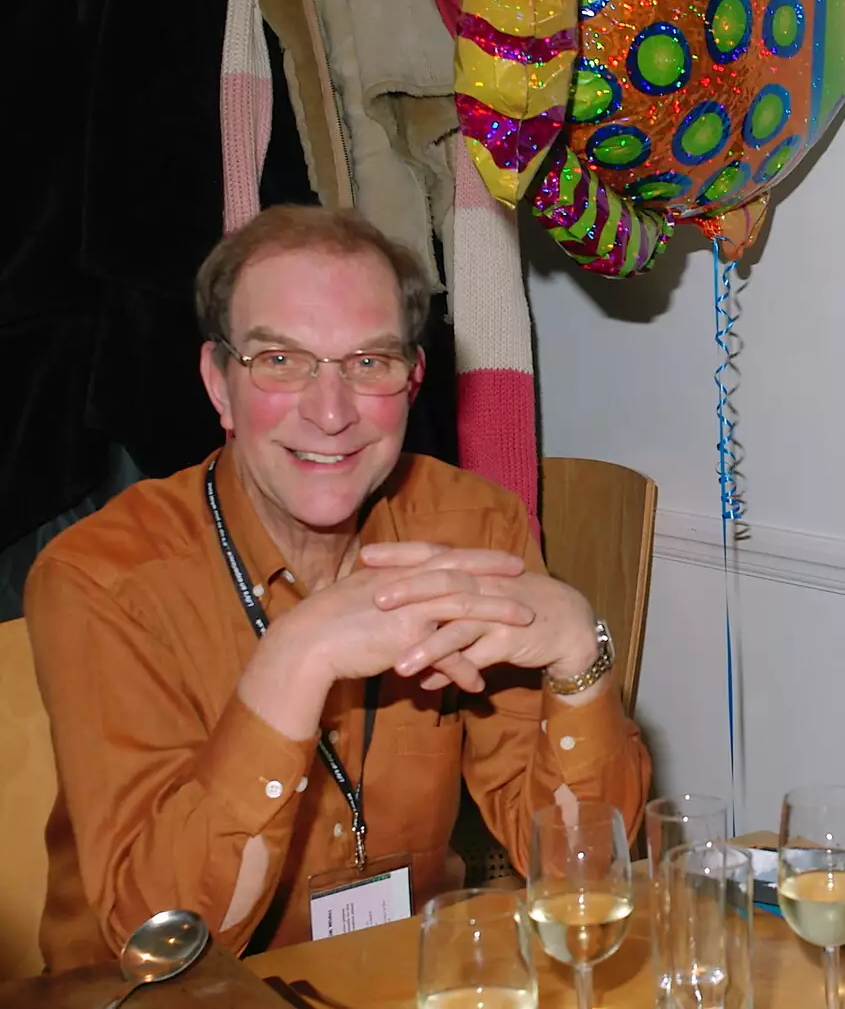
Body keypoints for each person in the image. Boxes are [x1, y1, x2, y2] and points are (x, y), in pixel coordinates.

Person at [25, 205, 651, 968]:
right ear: (219, 385)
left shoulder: (472, 528)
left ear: (413, 381)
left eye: (369, 363)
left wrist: (580, 657)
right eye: (280, 361)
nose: (330, 413)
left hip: (398, 978)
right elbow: (162, 943)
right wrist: (296, 658)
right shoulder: (105, 576)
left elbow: (581, 874)